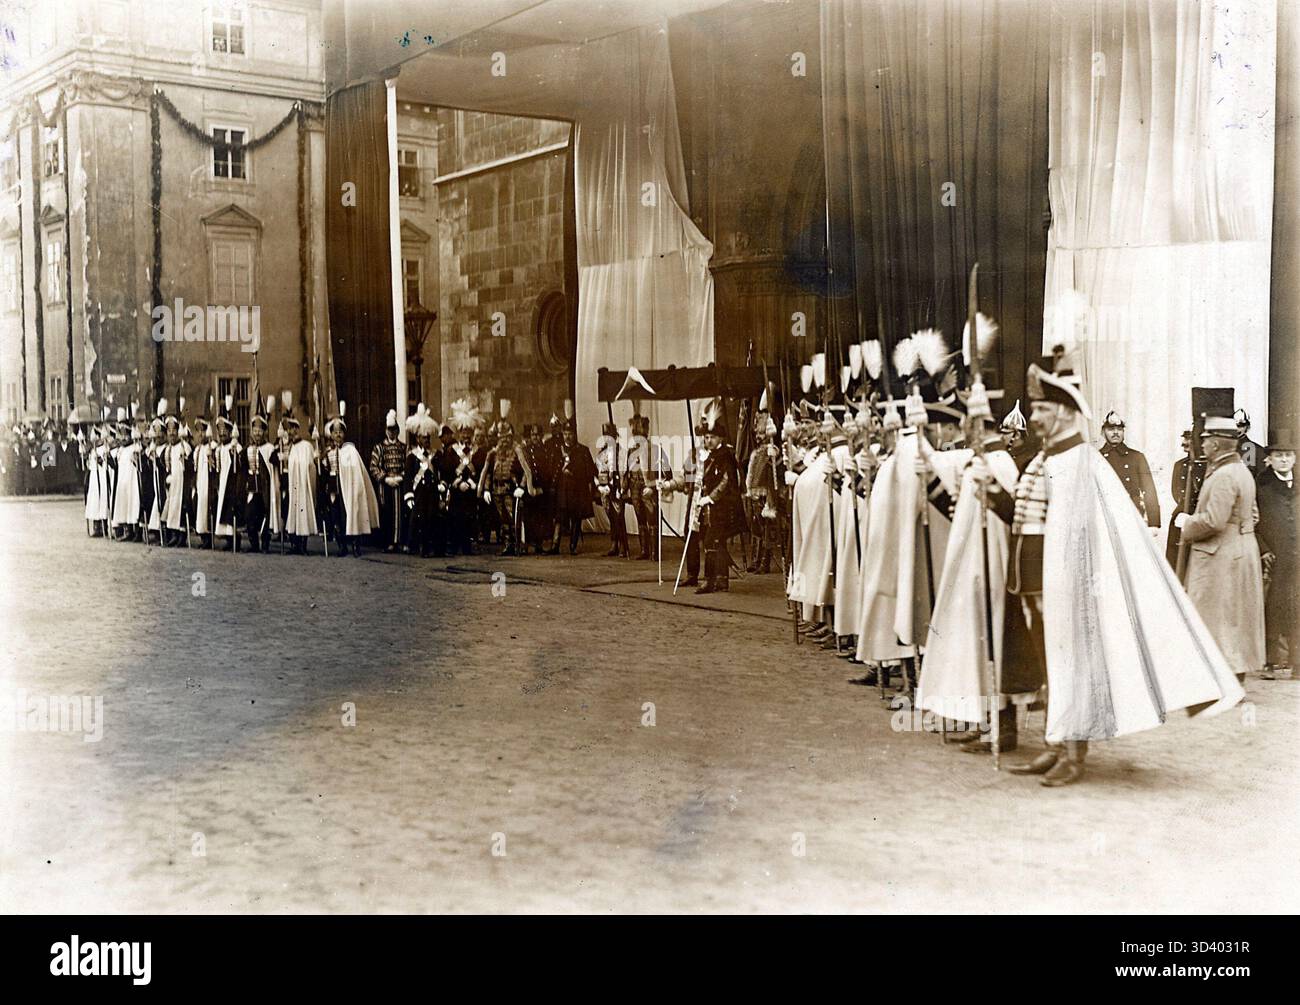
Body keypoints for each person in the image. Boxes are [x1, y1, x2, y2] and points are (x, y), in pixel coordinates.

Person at [971, 357, 1243, 787]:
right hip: (1033, 579)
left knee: (1070, 666)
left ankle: (1073, 755)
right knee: (1050, 666)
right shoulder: (1048, 458)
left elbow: (1084, 531)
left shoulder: (1081, 461)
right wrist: (992, 496)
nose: (1036, 416)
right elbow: (1028, 519)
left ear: (1062, 411)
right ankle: (1055, 744)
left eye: (1042, 409)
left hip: (1062, 581)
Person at [1175, 414, 1267, 682]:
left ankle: (1222, 680)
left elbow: (1214, 521)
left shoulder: (1225, 475)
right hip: (1241, 550)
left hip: (1221, 555)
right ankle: (1232, 677)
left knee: (1219, 617)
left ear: (1216, 444)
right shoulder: (1241, 472)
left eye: (1205, 440)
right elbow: (1254, 515)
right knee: (1235, 617)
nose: (1202, 445)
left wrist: (1187, 523)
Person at [1256, 436, 1297, 678]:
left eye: (1288, 455)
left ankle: (1297, 661)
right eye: (1278, 455)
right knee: (1274, 607)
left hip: (1298, 558)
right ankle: (1271, 661)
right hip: (1274, 557)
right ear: (1269, 460)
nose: (1284, 459)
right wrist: (1263, 549)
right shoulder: (1261, 486)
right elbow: (1254, 523)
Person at [694, 401, 745, 594]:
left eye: (712, 437)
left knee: (711, 541)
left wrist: (711, 498)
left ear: (720, 438)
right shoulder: (711, 456)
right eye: (706, 437)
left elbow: (726, 481)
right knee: (716, 541)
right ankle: (722, 579)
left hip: (724, 506)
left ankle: (709, 579)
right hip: (712, 507)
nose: (708, 441)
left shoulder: (725, 456)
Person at [477, 403, 536, 557]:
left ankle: (520, 544)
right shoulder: (493, 453)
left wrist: (522, 487)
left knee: (515, 518)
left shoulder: (518, 451)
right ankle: (508, 544)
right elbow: (488, 472)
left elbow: (527, 471)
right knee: (503, 519)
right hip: (497, 490)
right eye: (501, 437)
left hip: (511, 490)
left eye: (507, 437)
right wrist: (486, 489)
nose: (504, 440)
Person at [320, 409, 379, 558]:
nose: (338, 435)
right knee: (336, 517)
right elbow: (325, 472)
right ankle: (342, 546)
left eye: (340, 432)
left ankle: (355, 545)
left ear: (344, 434)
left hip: (349, 488)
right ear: (331, 435)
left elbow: (355, 472)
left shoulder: (350, 450)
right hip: (335, 487)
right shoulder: (328, 453)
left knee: (350, 515)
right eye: (335, 432)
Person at [1099, 411, 1161, 531]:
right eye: (1111, 429)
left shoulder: (1137, 457)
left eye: (1119, 429)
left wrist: (1154, 523)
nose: (1116, 432)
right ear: (1103, 432)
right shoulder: (1097, 458)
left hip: (1132, 517)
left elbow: (1149, 491)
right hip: (1104, 518)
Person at [625, 411, 670, 561]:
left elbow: (666, 473)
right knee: (640, 519)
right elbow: (626, 471)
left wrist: (652, 486)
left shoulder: (656, 450)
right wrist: (624, 488)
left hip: (648, 489)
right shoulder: (631, 451)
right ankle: (644, 550)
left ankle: (654, 553)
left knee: (652, 519)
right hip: (635, 488)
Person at [551, 420, 597, 555]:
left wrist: (574, 473)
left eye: (570, 433)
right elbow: (551, 469)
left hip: (576, 491)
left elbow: (591, 472)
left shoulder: (582, 451)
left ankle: (573, 546)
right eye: (565, 433)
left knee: (576, 518)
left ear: (574, 434)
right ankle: (555, 545)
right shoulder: (557, 450)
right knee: (559, 517)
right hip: (561, 490)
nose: (567, 436)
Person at [446, 399, 483, 556]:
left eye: (469, 432)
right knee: (456, 518)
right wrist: (457, 483)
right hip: (457, 490)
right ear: (458, 433)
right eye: (463, 432)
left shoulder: (478, 451)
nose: (466, 435)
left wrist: (473, 483)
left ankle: (468, 546)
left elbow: (481, 470)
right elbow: (447, 472)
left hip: (471, 491)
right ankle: (455, 545)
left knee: (470, 518)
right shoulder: (451, 451)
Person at [402, 407, 440, 557]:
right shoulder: (412, 457)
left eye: (428, 437)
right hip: (419, 493)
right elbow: (408, 477)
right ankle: (421, 547)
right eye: (424, 438)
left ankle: (431, 546)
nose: (427, 440)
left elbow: (438, 472)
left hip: (432, 491)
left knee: (432, 518)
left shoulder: (435, 455)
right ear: (418, 438)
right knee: (420, 519)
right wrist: (409, 495)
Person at [370, 409, 408, 553]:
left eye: (394, 429)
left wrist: (401, 477)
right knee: (387, 514)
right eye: (389, 430)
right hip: (385, 486)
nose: (392, 432)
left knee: (401, 513)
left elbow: (408, 466)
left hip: (400, 484)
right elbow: (373, 467)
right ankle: (389, 542)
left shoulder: (404, 448)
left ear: (398, 431)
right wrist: (385, 478)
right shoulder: (379, 448)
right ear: (386, 431)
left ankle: (400, 541)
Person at [244, 409, 281, 553]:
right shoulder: (248, 449)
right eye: (255, 430)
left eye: (260, 430)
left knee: (266, 514)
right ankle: (254, 544)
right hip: (252, 487)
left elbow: (274, 465)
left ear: (264, 432)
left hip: (265, 488)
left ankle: (265, 544)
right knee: (249, 515)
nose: (257, 433)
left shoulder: (269, 449)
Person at [1166, 429, 1204, 567]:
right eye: (1185, 438)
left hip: (1198, 516)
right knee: (1176, 560)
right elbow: (1175, 492)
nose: (1186, 442)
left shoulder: (1206, 466)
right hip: (1181, 514)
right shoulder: (1179, 465)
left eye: (1190, 439)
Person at [283, 410, 318, 555]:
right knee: (291, 513)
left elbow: (311, 467)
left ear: (298, 429)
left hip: (304, 486)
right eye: (289, 429)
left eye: (294, 428)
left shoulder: (306, 446)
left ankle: (303, 545)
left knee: (303, 513)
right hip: (292, 487)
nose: (292, 432)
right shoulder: (287, 447)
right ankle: (294, 544)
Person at [212, 411, 246, 552]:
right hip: (222, 481)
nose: (222, 434)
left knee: (231, 511)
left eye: (224, 431)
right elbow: (217, 467)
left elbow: (240, 466)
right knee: (222, 510)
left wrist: (234, 455)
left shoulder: (236, 447)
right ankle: (227, 539)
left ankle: (235, 540)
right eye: (220, 432)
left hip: (233, 483)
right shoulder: (219, 449)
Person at [596, 420, 630, 558]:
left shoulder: (622, 452)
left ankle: (623, 545)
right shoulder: (601, 454)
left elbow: (624, 471)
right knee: (611, 516)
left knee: (619, 516)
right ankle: (614, 543)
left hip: (617, 488)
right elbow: (598, 471)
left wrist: (621, 488)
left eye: (610, 435)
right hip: (606, 489)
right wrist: (601, 486)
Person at [1236, 408, 1267, 477]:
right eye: (1233, 425)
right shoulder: (1221, 448)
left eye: (1240, 425)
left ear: (1247, 427)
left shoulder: (1258, 451)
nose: (1236, 429)